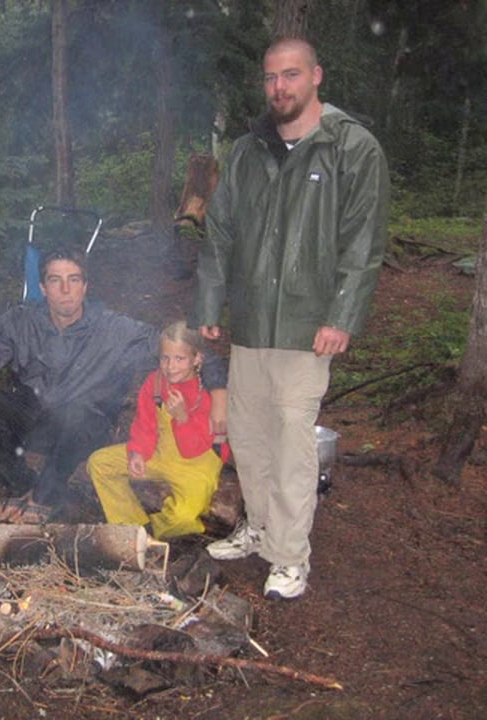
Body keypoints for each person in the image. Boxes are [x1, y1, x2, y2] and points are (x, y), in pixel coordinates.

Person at [191, 38, 390, 599]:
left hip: (308, 326)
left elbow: (363, 241)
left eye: (291, 75)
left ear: (316, 76)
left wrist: (341, 316)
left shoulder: (350, 147)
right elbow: (220, 230)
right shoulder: (249, 150)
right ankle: (258, 527)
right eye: (271, 77)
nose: (279, 87)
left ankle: (289, 556)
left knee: (291, 441)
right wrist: (209, 303)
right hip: (253, 320)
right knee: (248, 435)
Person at [0, 246, 228, 524]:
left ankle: (45, 495)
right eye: (55, 280)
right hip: (34, 419)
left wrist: (218, 396)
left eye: (74, 280)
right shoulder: (22, 322)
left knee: (77, 412)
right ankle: (21, 484)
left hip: (84, 428)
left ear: (85, 286)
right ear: (43, 288)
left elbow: (197, 353)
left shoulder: (114, 329)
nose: (65, 290)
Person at [88, 321, 230, 539]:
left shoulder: (208, 393)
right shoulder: (155, 383)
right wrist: (138, 452)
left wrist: (182, 418)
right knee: (99, 464)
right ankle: (132, 526)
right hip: (159, 453)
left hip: (196, 465)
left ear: (197, 359)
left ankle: (156, 531)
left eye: (180, 359)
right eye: (165, 358)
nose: (171, 366)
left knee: (184, 517)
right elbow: (145, 425)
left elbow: (195, 448)